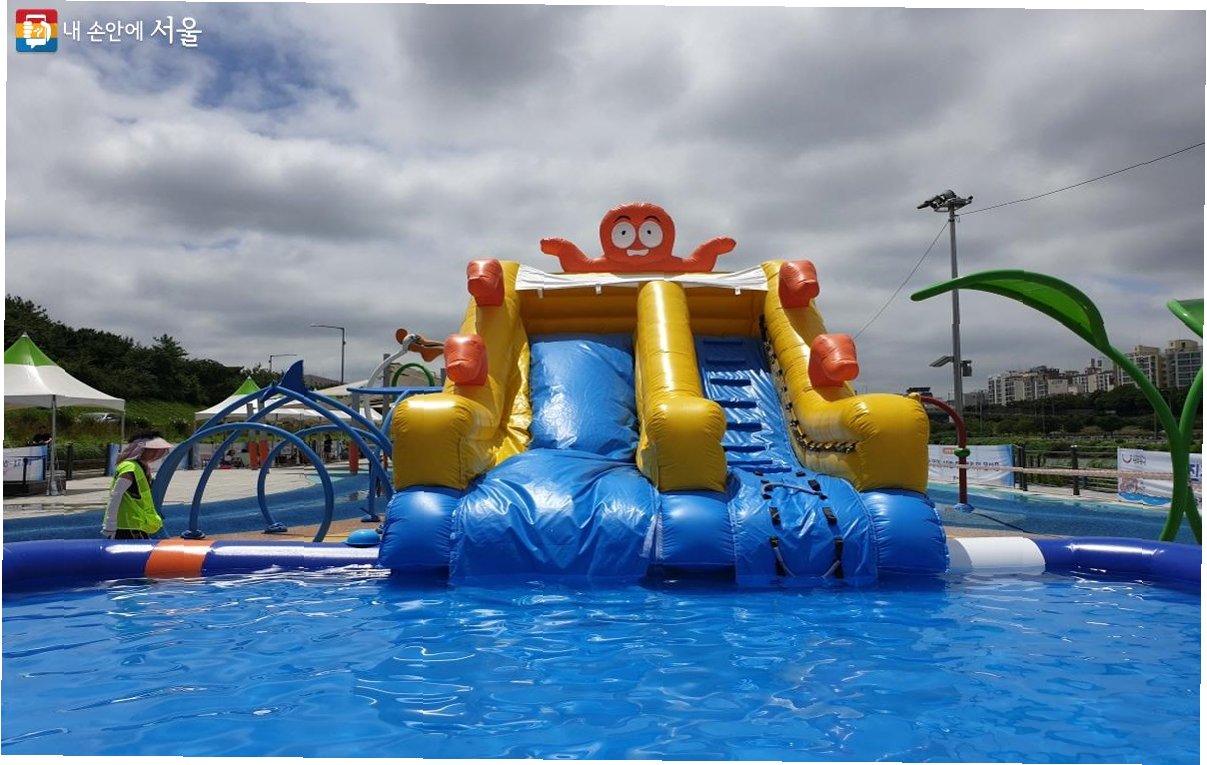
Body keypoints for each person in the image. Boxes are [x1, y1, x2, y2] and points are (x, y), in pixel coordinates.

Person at [101, 431, 173, 540]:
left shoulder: (139, 467)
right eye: (151, 450)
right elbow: (115, 495)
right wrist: (110, 524)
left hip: (136, 524)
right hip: (128, 526)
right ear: (140, 449)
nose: (155, 454)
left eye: (158, 451)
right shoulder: (130, 467)